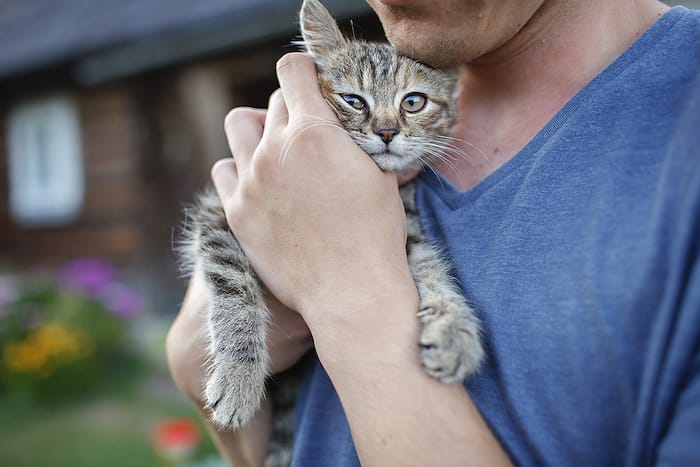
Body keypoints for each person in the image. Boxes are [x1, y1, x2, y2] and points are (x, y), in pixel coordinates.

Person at [166, 0, 700, 465]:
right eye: (356, 104)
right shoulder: (331, 151)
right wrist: (196, 358)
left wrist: (346, 295)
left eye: (408, 107)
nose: (384, 128)